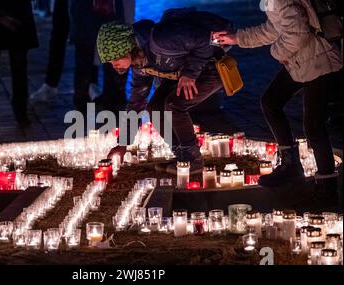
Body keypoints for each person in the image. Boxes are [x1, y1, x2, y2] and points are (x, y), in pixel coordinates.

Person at [214, 0, 342, 200]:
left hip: (318, 60)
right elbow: (273, 29)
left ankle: (327, 186)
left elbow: (298, 33)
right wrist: (237, 38)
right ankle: (290, 165)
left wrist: (277, 52)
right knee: (271, 102)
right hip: (301, 60)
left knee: (314, 125)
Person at [98, 8, 232, 174]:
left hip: (209, 68)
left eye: (114, 58)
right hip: (182, 73)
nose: (113, 65)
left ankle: (193, 160)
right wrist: (123, 144)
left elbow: (205, 40)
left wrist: (190, 74)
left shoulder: (162, 40)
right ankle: (181, 156)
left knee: (174, 106)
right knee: (154, 108)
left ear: (125, 47)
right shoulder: (140, 64)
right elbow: (136, 103)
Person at [0, 0, 39, 129]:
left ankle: (18, 112)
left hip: (9, 11)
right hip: (0, 12)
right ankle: (17, 113)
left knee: (14, 66)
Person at [69, 0, 128, 114]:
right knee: (84, 57)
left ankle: (112, 102)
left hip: (109, 9)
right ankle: (83, 105)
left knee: (112, 56)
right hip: (86, 11)